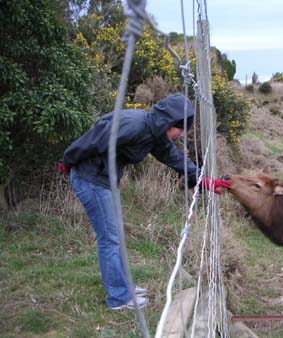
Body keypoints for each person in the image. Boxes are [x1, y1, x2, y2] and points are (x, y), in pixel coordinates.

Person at [59, 93, 230, 310]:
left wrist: (202, 180)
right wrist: (68, 160)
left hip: (104, 180)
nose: (181, 134)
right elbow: (92, 140)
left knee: (116, 234)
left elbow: (174, 158)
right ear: (169, 122)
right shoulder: (135, 126)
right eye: (180, 128)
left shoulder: (155, 134)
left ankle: (125, 286)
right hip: (91, 180)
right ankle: (119, 298)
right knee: (109, 239)